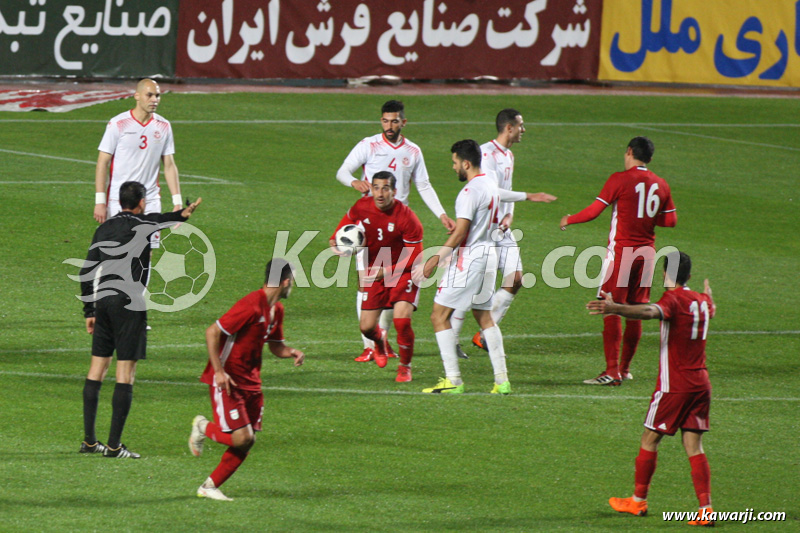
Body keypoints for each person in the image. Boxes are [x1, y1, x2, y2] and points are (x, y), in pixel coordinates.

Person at [586, 251, 717, 527]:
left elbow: (648, 311)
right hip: (701, 384)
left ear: (664, 274)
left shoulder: (673, 299)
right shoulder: (702, 301)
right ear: (689, 276)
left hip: (675, 386)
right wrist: (709, 297)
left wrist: (615, 308)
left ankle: (637, 500)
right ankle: (706, 509)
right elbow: (708, 309)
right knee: (694, 444)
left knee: (649, 439)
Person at [79, 181, 202, 458]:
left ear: (118, 202)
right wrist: (185, 212)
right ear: (142, 202)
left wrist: (89, 311)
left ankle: (89, 441)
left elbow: (86, 272)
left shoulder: (104, 228)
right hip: (129, 303)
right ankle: (113, 446)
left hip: (103, 300)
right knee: (125, 374)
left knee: (96, 370)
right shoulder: (144, 223)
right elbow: (168, 218)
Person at [336, 100, 456, 364]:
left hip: (399, 227)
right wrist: (353, 180)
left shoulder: (413, 151)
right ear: (381, 121)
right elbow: (342, 171)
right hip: (369, 224)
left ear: (404, 122)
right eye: (385, 121)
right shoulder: (368, 145)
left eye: (394, 121)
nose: (389, 126)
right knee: (366, 282)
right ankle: (370, 346)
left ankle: (385, 340)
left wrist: (442, 214)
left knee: (394, 285)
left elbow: (423, 184)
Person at [560, 136, 677, 386]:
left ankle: (612, 371)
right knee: (636, 309)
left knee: (609, 306)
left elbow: (593, 211)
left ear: (629, 152)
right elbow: (670, 221)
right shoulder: (661, 184)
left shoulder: (619, 179)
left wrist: (569, 219)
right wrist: (644, 217)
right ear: (650, 158)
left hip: (623, 253)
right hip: (647, 254)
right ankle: (624, 369)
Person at [189, 258, 305, 501]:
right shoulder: (252, 304)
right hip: (228, 381)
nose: (292, 286)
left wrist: (290, 351)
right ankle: (202, 427)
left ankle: (209, 486)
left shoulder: (276, 310)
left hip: (252, 383)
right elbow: (212, 331)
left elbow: (275, 346)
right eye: (292, 281)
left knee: (247, 441)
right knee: (244, 437)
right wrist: (219, 371)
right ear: (284, 282)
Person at [450, 108, 557, 357]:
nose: (524, 130)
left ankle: (486, 333)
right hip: (484, 228)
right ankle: (452, 340)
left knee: (516, 278)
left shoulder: (508, 155)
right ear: (509, 128)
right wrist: (529, 196)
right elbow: (489, 190)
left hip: (502, 228)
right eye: (521, 125)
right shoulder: (486, 154)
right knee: (471, 286)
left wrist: (510, 214)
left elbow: (505, 191)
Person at [412, 140, 509, 394]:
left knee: (438, 315)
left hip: (470, 259)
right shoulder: (491, 184)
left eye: (455, 162)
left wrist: (434, 259)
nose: (453, 167)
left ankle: (453, 380)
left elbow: (461, 232)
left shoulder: (469, 192)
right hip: (489, 254)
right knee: (484, 316)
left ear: (466, 163)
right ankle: (502, 380)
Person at [329, 171, 424, 382]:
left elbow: (416, 256)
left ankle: (405, 367)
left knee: (401, 321)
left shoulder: (407, 217)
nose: (380, 193)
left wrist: (387, 271)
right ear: (370, 188)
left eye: (385, 188)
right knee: (367, 327)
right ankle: (379, 340)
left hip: (403, 272)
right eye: (376, 188)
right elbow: (346, 223)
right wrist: (335, 240)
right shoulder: (361, 207)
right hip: (375, 269)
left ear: (394, 191)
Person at [94, 78, 183, 249]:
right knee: (117, 251)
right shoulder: (118, 124)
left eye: (157, 95)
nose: (154, 100)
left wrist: (177, 200)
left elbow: (169, 165)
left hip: (149, 200)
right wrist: (100, 201)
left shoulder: (163, 126)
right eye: (149, 95)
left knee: (145, 253)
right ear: (136, 96)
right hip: (120, 201)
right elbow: (102, 162)